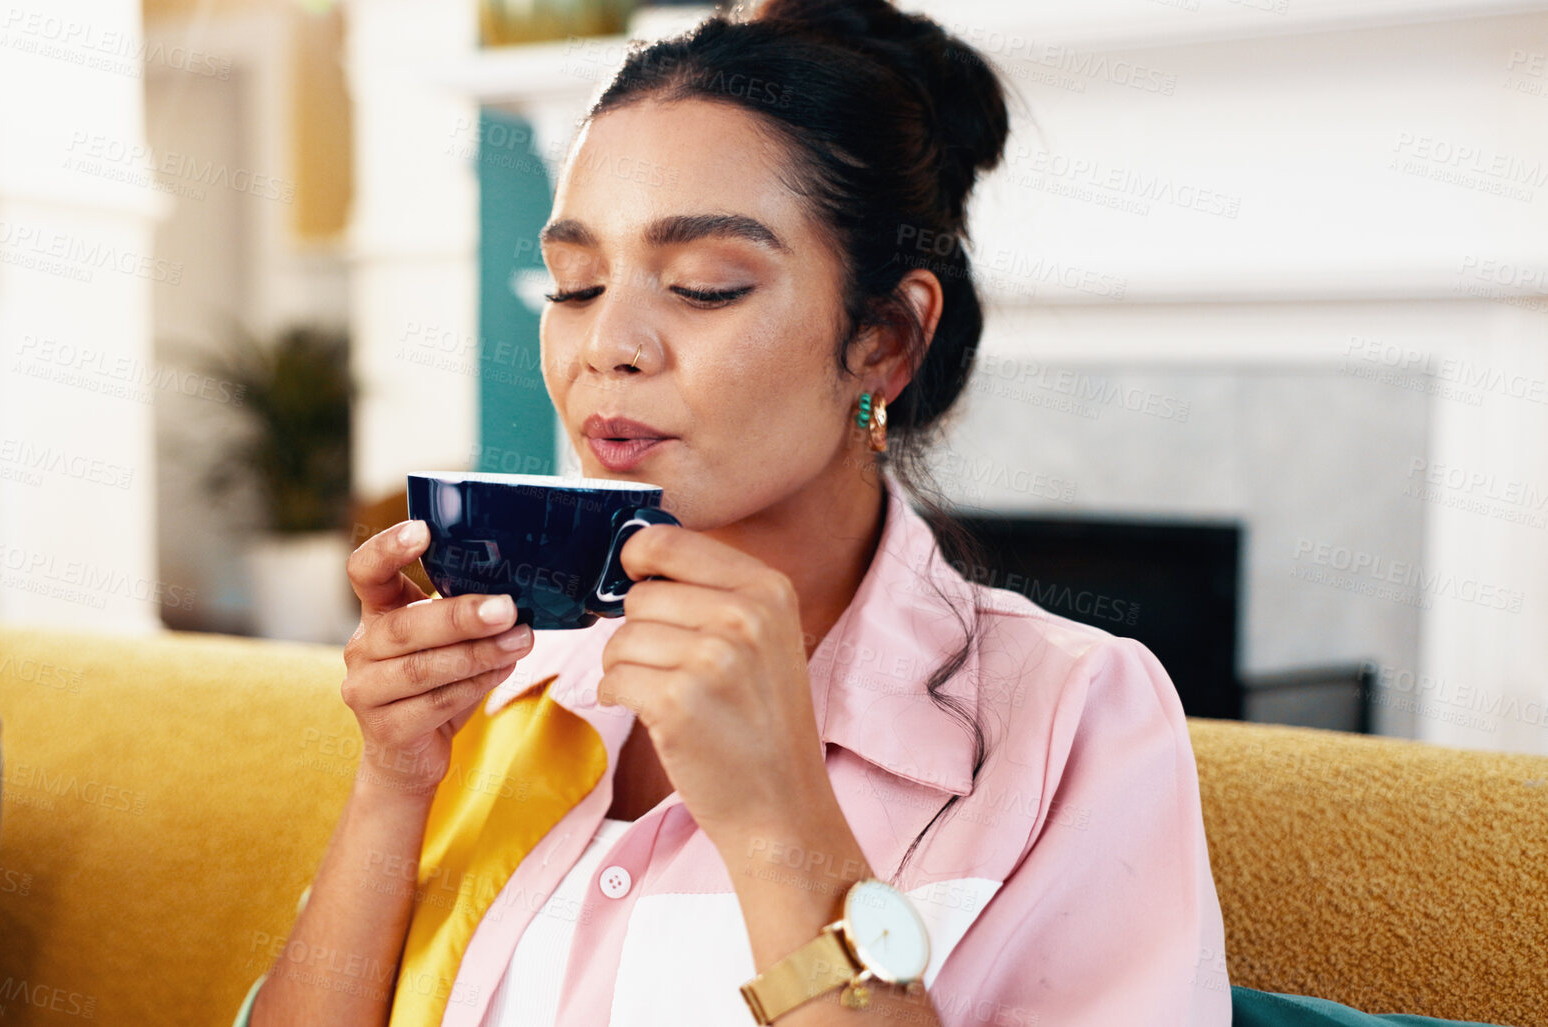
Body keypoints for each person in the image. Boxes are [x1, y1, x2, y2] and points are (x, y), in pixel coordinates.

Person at [244, 0, 1231, 1024]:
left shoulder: (1072, 722)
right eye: (577, 284)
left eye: (705, 285)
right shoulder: (513, 680)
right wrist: (394, 785)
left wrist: (778, 820)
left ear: (885, 339)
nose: (607, 345)